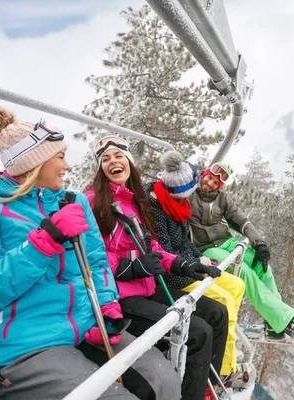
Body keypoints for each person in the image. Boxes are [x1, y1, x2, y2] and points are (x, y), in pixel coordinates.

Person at [0, 108, 180, 400]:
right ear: (35, 160)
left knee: (164, 380)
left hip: (84, 326)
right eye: (60, 157)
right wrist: (43, 243)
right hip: (26, 345)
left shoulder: (73, 201)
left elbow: (95, 261)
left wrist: (105, 307)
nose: (67, 166)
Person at [85, 135, 229, 400]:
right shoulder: (93, 203)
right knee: (198, 332)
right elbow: (91, 255)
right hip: (121, 298)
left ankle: (208, 387)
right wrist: (131, 267)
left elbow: (152, 248)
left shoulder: (134, 201)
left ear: (129, 161)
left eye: (119, 156)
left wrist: (183, 265)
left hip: (148, 289)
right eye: (105, 159)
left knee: (216, 312)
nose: (113, 162)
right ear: (100, 168)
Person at [144, 150, 248, 383]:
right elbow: (167, 253)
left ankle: (226, 359)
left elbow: (184, 243)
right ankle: (220, 369)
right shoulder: (158, 210)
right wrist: (194, 267)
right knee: (223, 300)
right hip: (176, 275)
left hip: (189, 265)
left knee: (236, 285)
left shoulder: (177, 206)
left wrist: (200, 259)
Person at [188, 162, 294, 343]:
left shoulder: (223, 199)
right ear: (204, 174)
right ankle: (286, 322)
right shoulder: (188, 195)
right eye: (209, 178)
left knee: (263, 269)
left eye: (216, 183)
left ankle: (272, 323)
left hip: (227, 242)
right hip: (207, 249)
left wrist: (259, 243)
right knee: (244, 273)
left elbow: (242, 221)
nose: (210, 183)